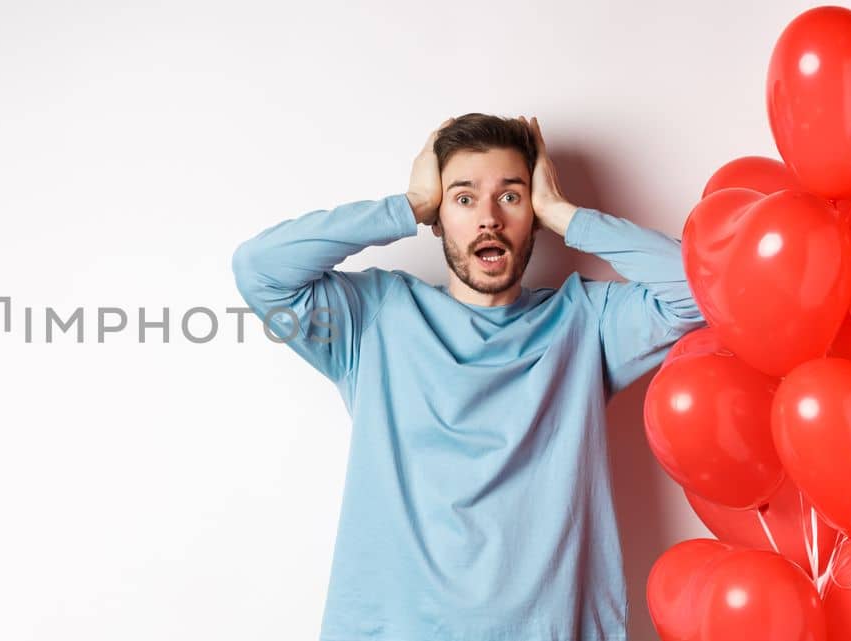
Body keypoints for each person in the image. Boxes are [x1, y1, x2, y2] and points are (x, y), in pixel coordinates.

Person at [230, 113, 704, 641]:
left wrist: (565, 213)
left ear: (533, 215)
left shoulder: (585, 321)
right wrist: (406, 204)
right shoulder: (373, 318)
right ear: (438, 217)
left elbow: (701, 291)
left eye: (510, 196)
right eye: (462, 198)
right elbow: (260, 269)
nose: (488, 219)